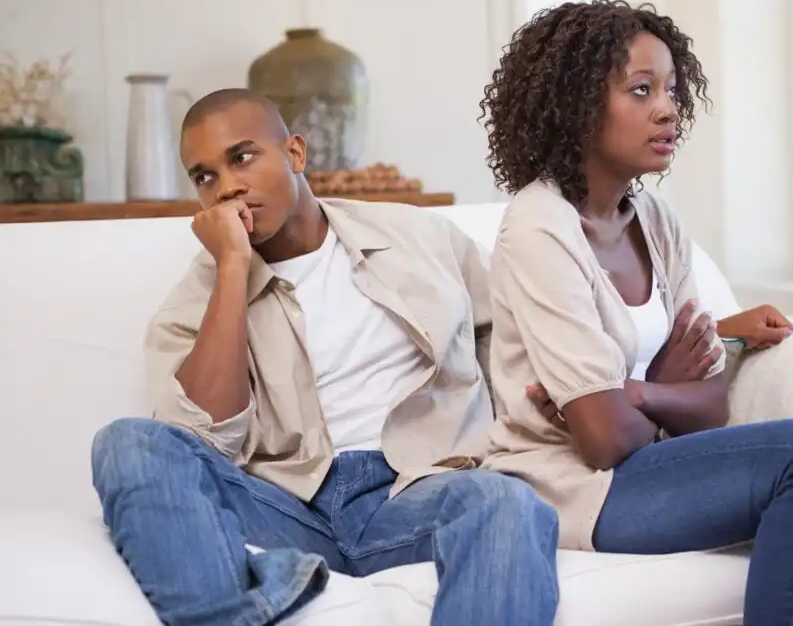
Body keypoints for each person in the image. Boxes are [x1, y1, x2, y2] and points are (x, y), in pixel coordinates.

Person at [477, 0, 793, 626]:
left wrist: (640, 392)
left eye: (672, 89)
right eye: (640, 90)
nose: (668, 109)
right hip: (569, 486)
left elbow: (709, 405)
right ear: (576, 105)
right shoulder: (541, 227)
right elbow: (602, 440)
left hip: (643, 462)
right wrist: (657, 398)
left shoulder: (655, 221)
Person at [90, 89, 560, 626]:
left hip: (415, 492)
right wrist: (232, 269)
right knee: (128, 443)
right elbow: (201, 442)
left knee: (505, 502)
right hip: (285, 508)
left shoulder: (418, 237)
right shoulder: (193, 305)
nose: (227, 187)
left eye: (242, 157)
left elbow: (511, 336)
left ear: (295, 153)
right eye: (204, 177)